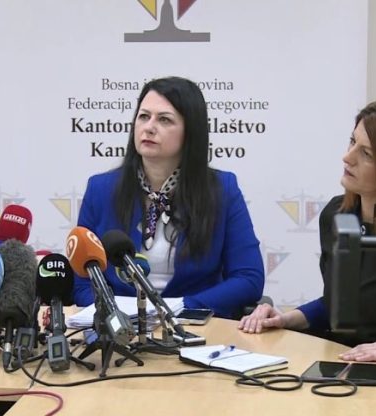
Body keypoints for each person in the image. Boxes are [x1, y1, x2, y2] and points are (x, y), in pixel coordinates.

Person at [237, 98, 376, 412]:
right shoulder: (338, 216)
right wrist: (288, 318)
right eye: (352, 142)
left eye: (366, 154)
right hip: (343, 374)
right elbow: (341, 302)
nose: (347, 157)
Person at [72, 76, 264, 318]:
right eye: (144, 116)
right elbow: (82, 282)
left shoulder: (222, 190)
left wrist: (177, 308)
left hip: (195, 327)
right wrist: (116, 313)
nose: (149, 127)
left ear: (190, 132)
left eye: (164, 119)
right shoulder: (100, 189)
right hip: (119, 327)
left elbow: (248, 278)